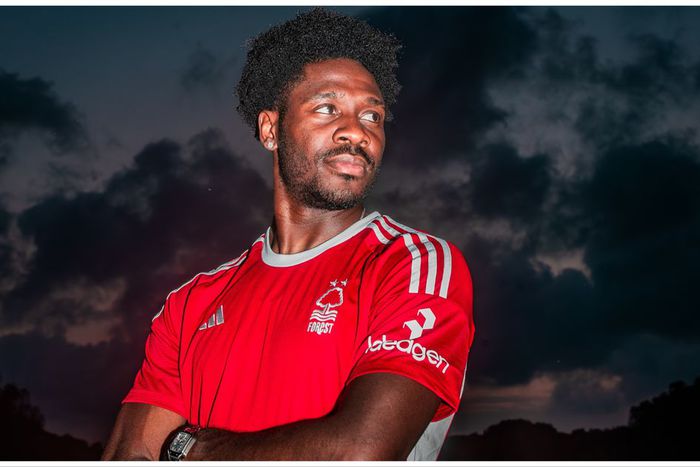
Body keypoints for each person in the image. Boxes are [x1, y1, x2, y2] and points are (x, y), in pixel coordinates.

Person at [102, 8, 474, 461]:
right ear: (271, 129)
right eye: (327, 108)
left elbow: (359, 453)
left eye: (372, 116)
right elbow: (128, 455)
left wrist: (193, 450)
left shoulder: (414, 264)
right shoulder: (190, 304)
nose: (356, 131)